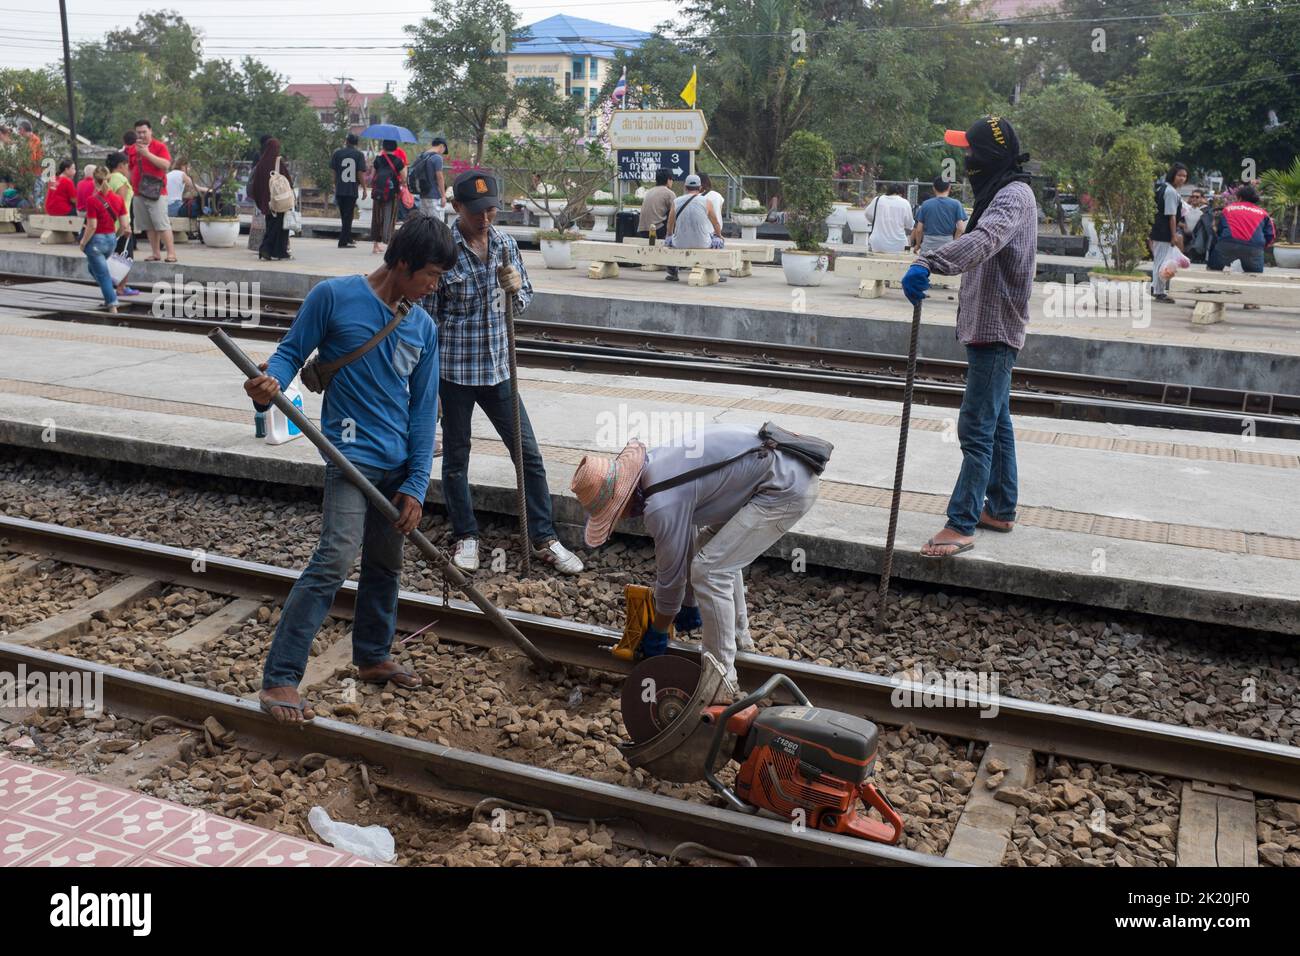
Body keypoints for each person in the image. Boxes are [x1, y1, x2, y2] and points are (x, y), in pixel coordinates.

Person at [242, 215, 456, 724]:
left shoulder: (423, 327)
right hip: (349, 456)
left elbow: (426, 410)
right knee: (335, 558)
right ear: (402, 264)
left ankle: (373, 655)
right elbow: (290, 354)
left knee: (386, 564)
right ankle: (281, 678)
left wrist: (417, 484)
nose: (434, 286)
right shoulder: (333, 297)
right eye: (429, 274)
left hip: (399, 463)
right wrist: (268, 385)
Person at [570, 423, 821, 695]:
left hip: (784, 489)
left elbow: (672, 577)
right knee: (712, 551)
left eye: (616, 513)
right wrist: (688, 604)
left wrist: (659, 629)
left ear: (623, 501)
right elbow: (685, 541)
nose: (624, 519)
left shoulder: (661, 504)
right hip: (781, 471)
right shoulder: (656, 469)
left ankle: (721, 679)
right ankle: (739, 637)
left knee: (710, 570)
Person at [421, 170, 584, 575]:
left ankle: (544, 537)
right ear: (457, 207)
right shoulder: (443, 251)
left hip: (499, 370)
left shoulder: (506, 245)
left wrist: (516, 290)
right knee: (456, 458)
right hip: (453, 373)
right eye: (476, 211)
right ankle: (466, 536)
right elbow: (426, 321)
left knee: (528, 455)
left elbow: (525, 299)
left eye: (491, 210)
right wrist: (429, 386)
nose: (485, 219)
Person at [901, 116, 1037, 560]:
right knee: (996, 421)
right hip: (986, 324)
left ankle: (960, 523)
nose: (965, 159)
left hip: (997, 326)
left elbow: (984, 240)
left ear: (990, 156)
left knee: (975, 425)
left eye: (971, 151)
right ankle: (999, 508)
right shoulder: (999, 191)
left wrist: (927, 262)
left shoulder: (1012, 196)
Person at [78, 166, 128, 314]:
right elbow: (125, 225)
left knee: (102, 274)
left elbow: (92, 226)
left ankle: (112, 305)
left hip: (96, 242)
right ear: (109, 179)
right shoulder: (118, 199)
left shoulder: (92, 200)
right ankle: (108, 292)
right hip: (111, 240)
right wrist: (115, 235)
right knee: (92, 268)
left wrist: (83, 242)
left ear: (94, 180)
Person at [664, 173, 725, 282]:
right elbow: (716, 224)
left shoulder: (676, 202)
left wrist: (669, 236)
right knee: (718, 241)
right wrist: (719, 235)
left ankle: (673, 272)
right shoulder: (707, 202)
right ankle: (715, 271)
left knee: (668, 241)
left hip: (679, 243)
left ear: (685, 187)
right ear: (700, 187)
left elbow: (670, 224)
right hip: (703, 243)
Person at [131, 119, 176, 263]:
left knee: (161, 224)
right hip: (138, 191)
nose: (142, 135)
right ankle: (155, 253)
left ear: (150, 131)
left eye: (144, 132)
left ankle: (171, 253)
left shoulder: (159, 146)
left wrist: (147, 154)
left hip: (156, 192)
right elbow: (130, 169)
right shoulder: (133, 148)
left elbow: (166, 165)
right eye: (139, 132)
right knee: (148, 225)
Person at [1208, 183, 1275, 275]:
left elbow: (1219, 230)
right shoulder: (1263, 213)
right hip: (1253, 247)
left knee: (1214, 268)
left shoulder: (1227, 209)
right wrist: (1259, 248)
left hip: (1227, 244)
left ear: (1239, 197)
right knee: (1255, 273)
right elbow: (1270, 235)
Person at [249, 138, 293, 261]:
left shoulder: (260, 164)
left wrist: (260, 201)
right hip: (278, 201)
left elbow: (255, 185)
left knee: (271, 225)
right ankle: (267, 249)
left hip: (266, 202)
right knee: (279, 227)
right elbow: (288, 181)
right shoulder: (278, 162)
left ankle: (274, 251)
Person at [1150, 162, 1187, 303]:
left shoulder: (1163, 188)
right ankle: (1159, 292)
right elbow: (1171, 216)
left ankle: (1157, 288)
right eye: (1179, 175)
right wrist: (1173, 235)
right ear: (1173, 175)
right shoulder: (1171, 192)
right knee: (1161, 262)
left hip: (1159, 229)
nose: (1182, 179)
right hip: (1164, 231)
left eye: (1184, 176)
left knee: (1159, 261)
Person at [105, 151, 140, 298]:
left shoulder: (108, 179)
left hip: (110, 224)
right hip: (121, 224)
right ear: (121, 165)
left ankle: (115, 285)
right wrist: (125, 225)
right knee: (125, 256)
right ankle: (121, 287)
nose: (129, 169)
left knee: (115, 256)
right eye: (127, 165)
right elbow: (120, 204)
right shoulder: (120, 179)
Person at [911, 176, 968, 254]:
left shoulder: (926, 204)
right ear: (949, 187)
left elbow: (919, 229)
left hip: (928, 245)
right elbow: (961, 228)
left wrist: (918, 245)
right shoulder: (956, 204)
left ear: (934, 188)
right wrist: (954, 242)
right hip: (947, 244)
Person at [330, 132, 367, 248]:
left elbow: (334, 171)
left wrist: (334, 183)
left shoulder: (337, 153)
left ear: (346, 141)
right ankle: (343, 241)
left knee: (344, 215)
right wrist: (364, 187)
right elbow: (359, 173)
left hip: (340, 188)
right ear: (356, 143)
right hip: (351, 189)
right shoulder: (359, 155)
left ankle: (348, 237)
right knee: (348, 215)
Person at [370, 139, 406, 254]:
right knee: (389, 218)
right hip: (392, 193)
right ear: (395, 148)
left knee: (376, 217)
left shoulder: (378, 160)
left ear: (384, 148)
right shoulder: (398, 161)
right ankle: (389, 245)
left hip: (378, 193)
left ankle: (375, 246)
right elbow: (404, 178)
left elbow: (372, 176)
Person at [864, 183, 915, 253]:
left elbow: (867, 213)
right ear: (901, 193)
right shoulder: (905, 203)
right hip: (899, 244)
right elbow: (910, 225)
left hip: (877, 244)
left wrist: (877, 221)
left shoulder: (877, 200)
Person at [410, 137, 448, 218]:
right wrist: (443, 196)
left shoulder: (422, 155)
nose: (442, 152)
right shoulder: (437, 158)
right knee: (436, 223)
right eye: (444, 149)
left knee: (424, 223)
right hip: (433, 195)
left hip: (423, 194)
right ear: (442, 146)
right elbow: (440, 177)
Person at [637, 168, 675, 241]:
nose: (672, 182)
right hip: (657, 230)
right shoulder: (669, 193)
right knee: (675, 214)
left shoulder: (649, 191)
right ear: (668, 180)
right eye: (672, 179)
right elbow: (676, 213)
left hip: (642, 229)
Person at [18, 121, 43, 207]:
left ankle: (38, 215)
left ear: (23, 129)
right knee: (29, 197)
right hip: (28, 173)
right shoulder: (27, 141)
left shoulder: (34, 140)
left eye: (19, 130)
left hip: (34, 173)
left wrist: (24, 168)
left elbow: (31, 157)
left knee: (36, 196)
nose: (19, 132)